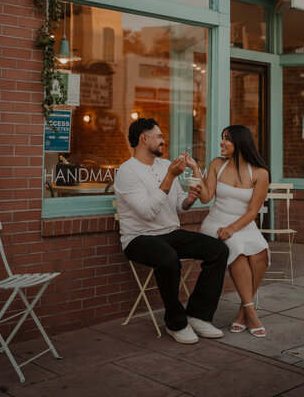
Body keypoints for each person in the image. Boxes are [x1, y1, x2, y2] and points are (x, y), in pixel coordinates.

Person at [114, 118, 229, 345]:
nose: (163, 140)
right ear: (143, 138)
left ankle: (198, 315)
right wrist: (170, 176)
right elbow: (147, 212)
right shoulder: (127, 172)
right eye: (158, 136)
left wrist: (189, 200)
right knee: (168, 258)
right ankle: (175, 322)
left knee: (218, 249)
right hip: (139, 238)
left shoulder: (164, 164)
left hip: (171, 233)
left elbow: (178, 205)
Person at [193, 124, 270, 338]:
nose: (221, 142)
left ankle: (243, 311)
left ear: (240, 143)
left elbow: (253, 211)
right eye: (222, 138)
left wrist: (232, 228)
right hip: (216, 223)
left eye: (226, 139)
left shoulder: (260, 173)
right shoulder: (218, 164)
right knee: (236, 249)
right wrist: (195, 170)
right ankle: (251, 312)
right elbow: (206, 198)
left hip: (243, 224)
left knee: (261, 252)